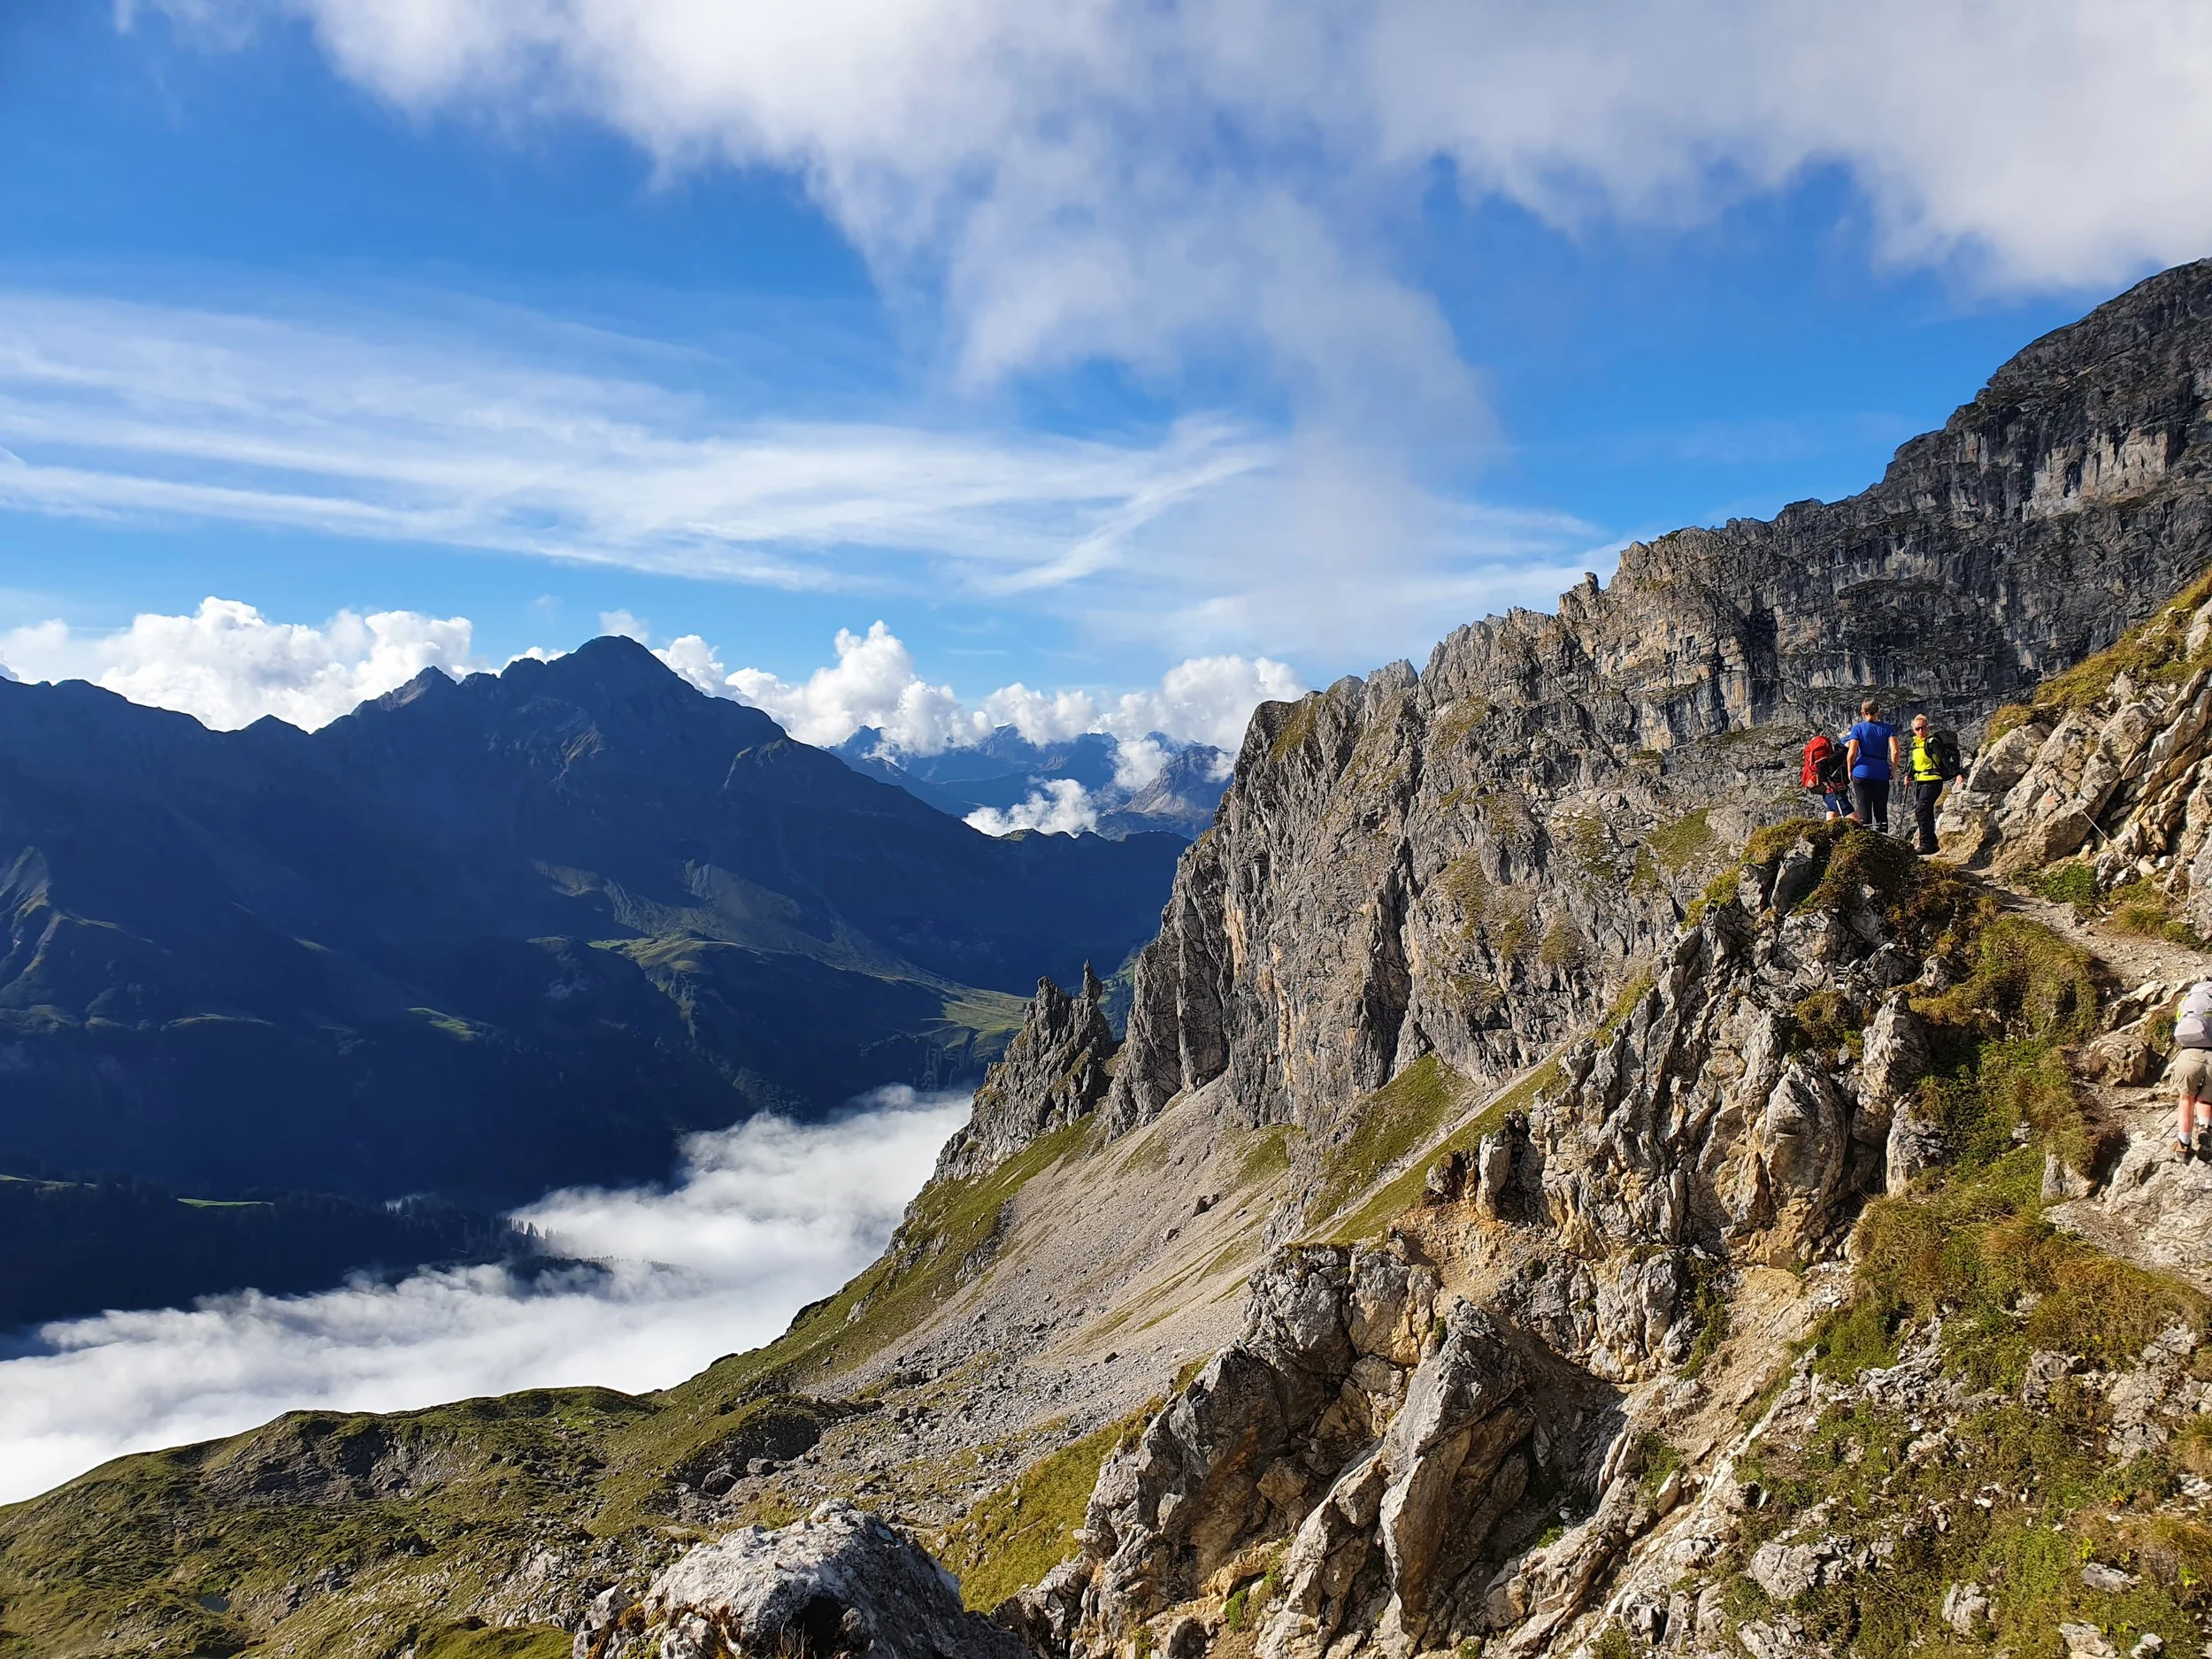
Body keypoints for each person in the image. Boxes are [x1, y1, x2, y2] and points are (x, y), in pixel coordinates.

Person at [1844, 698, 1902, 834]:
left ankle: (1867, 843)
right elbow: (1895, 751)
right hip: (1881, 773)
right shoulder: (1888, 729)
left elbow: (1852, 752)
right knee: (1881, 811)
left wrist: (1849, 770)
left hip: (1861, 772)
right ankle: (1884, 842)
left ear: (1862, 712)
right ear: (1878, 711)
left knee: (1864, 811)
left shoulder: (1858, 728)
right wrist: (1892, 770)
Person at [2173, 980, 2212, 1158]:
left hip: (2188, 1055)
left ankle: (2183, 1144)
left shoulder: (2189, 1000)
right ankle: (2205, 1127)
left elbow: (2179, 1020)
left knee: (2186, 1099)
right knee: (2206, 1100)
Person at [1906, 712, 1947, 854]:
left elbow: (1943, 758)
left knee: (1921, 811)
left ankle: (1926, 844)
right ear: (1914, 730)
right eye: (1918, 729)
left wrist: (1958, 773)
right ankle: (1932, 844)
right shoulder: (1915, 744)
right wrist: (1909, 775)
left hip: (1933, 781)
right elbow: (1915, 763)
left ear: (1928, 727)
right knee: (1927, 811)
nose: (1921, 731)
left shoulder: (1932, 742)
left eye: (1923, 728)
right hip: (1921, 781)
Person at [1801, 730, 1852, 821]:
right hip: (1834, 793)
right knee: (1854, 819)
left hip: (1829, 794)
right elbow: (1821, 765)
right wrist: (1827, 782)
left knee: (1832, 820)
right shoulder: (1840, 754)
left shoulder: (1837, 754)